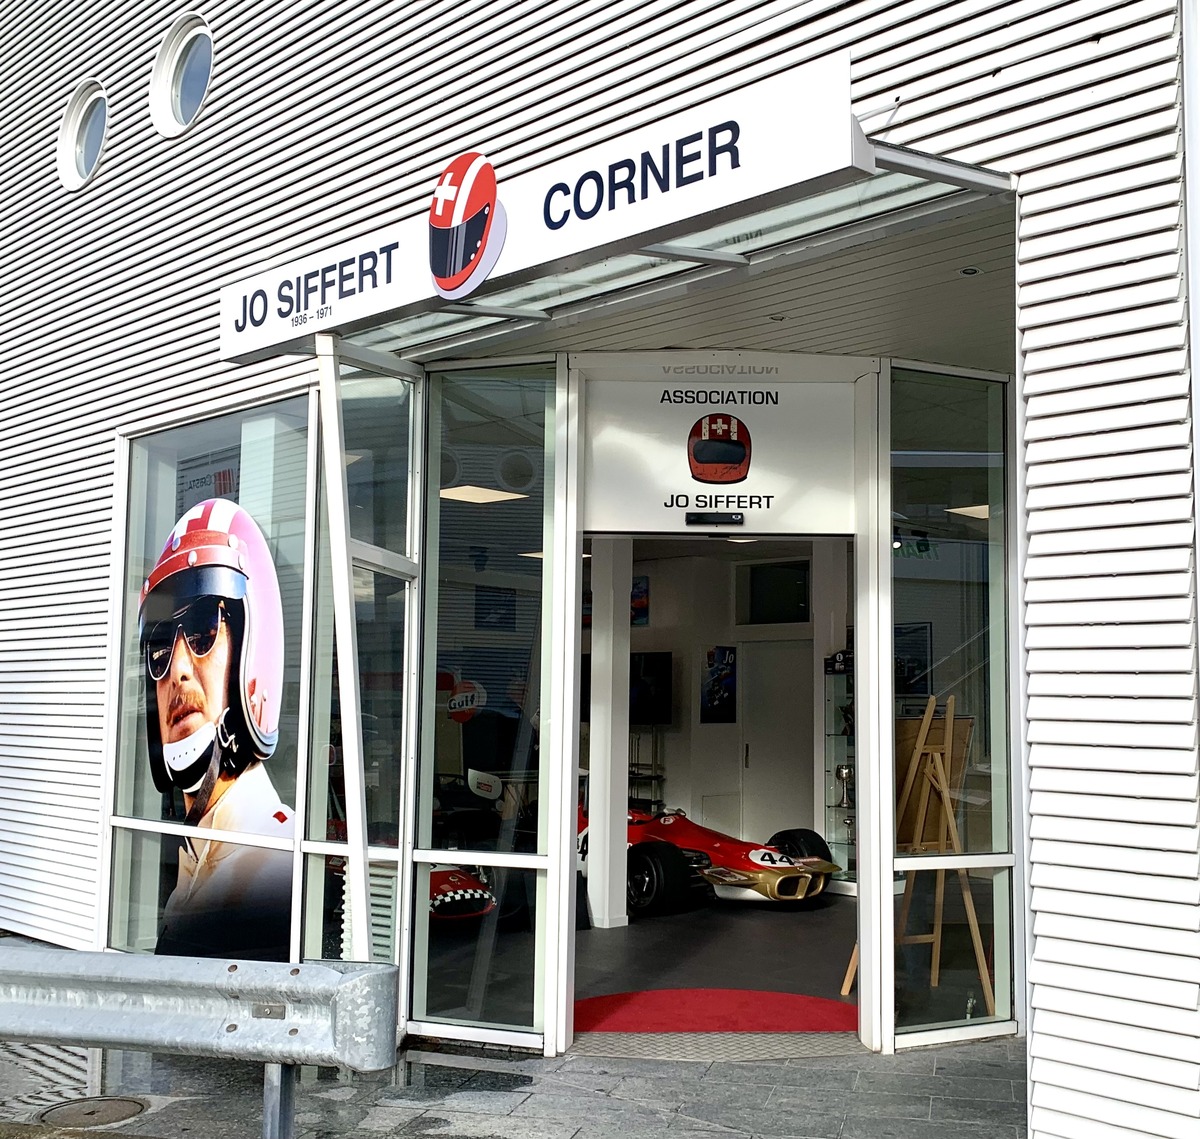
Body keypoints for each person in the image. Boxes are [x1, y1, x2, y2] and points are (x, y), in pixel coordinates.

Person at [138, 497, 294, 959]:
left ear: (250, 650)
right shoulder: (198, 853)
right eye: (160, 646)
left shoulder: (270, 863)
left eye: (204, 629)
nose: (178, 670)